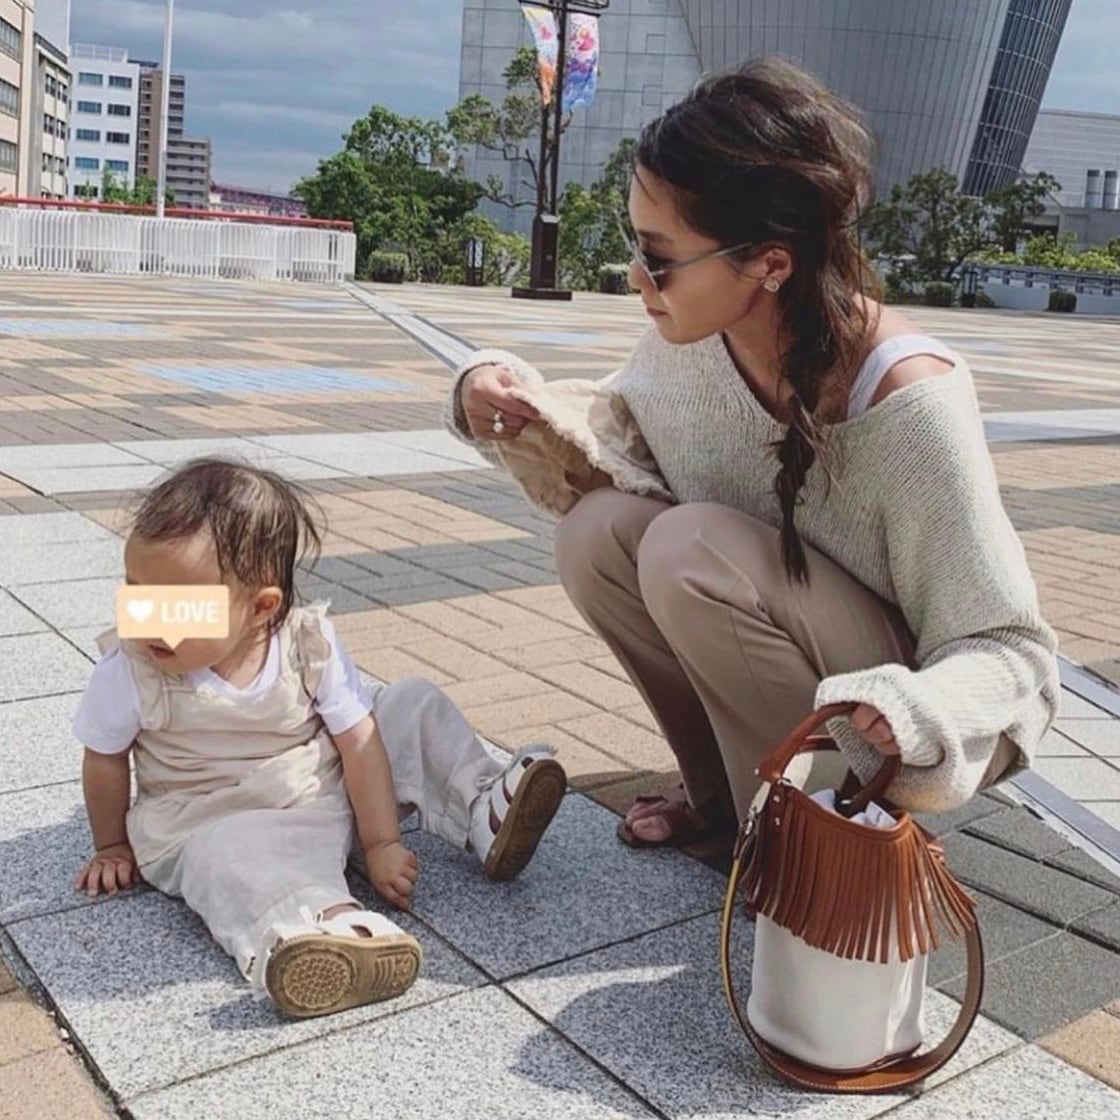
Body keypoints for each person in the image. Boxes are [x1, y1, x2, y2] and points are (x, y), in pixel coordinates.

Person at [444, 57, 1059, 848]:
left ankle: (817, 823)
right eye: (636, 245)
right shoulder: (697, 341)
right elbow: (618, 434)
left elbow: (1010, 648)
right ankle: (723, 802)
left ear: (771, 262)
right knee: (596, 535)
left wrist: (917, 711)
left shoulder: (907, 402)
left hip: (887, 703)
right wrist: (490, 392)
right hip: (799, 644)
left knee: (685, 547)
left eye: (660, 257)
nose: (637, 277)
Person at [72, 458, 566, 1018]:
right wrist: (111, 844)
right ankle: (322, 927)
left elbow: (357, 741)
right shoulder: (132, 668)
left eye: (177, 607)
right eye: (137, 593)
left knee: (408, 701)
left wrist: (380, 842)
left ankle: (482, 808)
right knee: (228, 857)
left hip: (326, 795)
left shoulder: (307, 644)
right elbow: (105, 759)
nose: (148, 620)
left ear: (261, 608)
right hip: (208, 817)